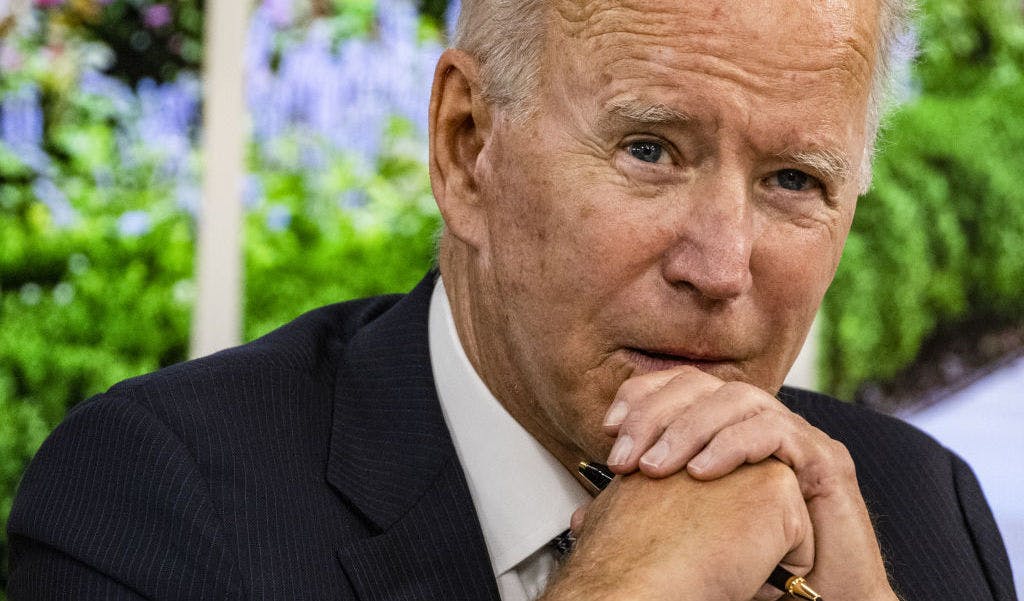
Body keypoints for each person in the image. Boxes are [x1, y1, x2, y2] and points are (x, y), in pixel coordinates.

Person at [6, 0, 1016, 599]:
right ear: (466, 146)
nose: (719, 266)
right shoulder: (156, 509)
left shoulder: (923, 513)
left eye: (794, 179)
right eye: (650, 149)